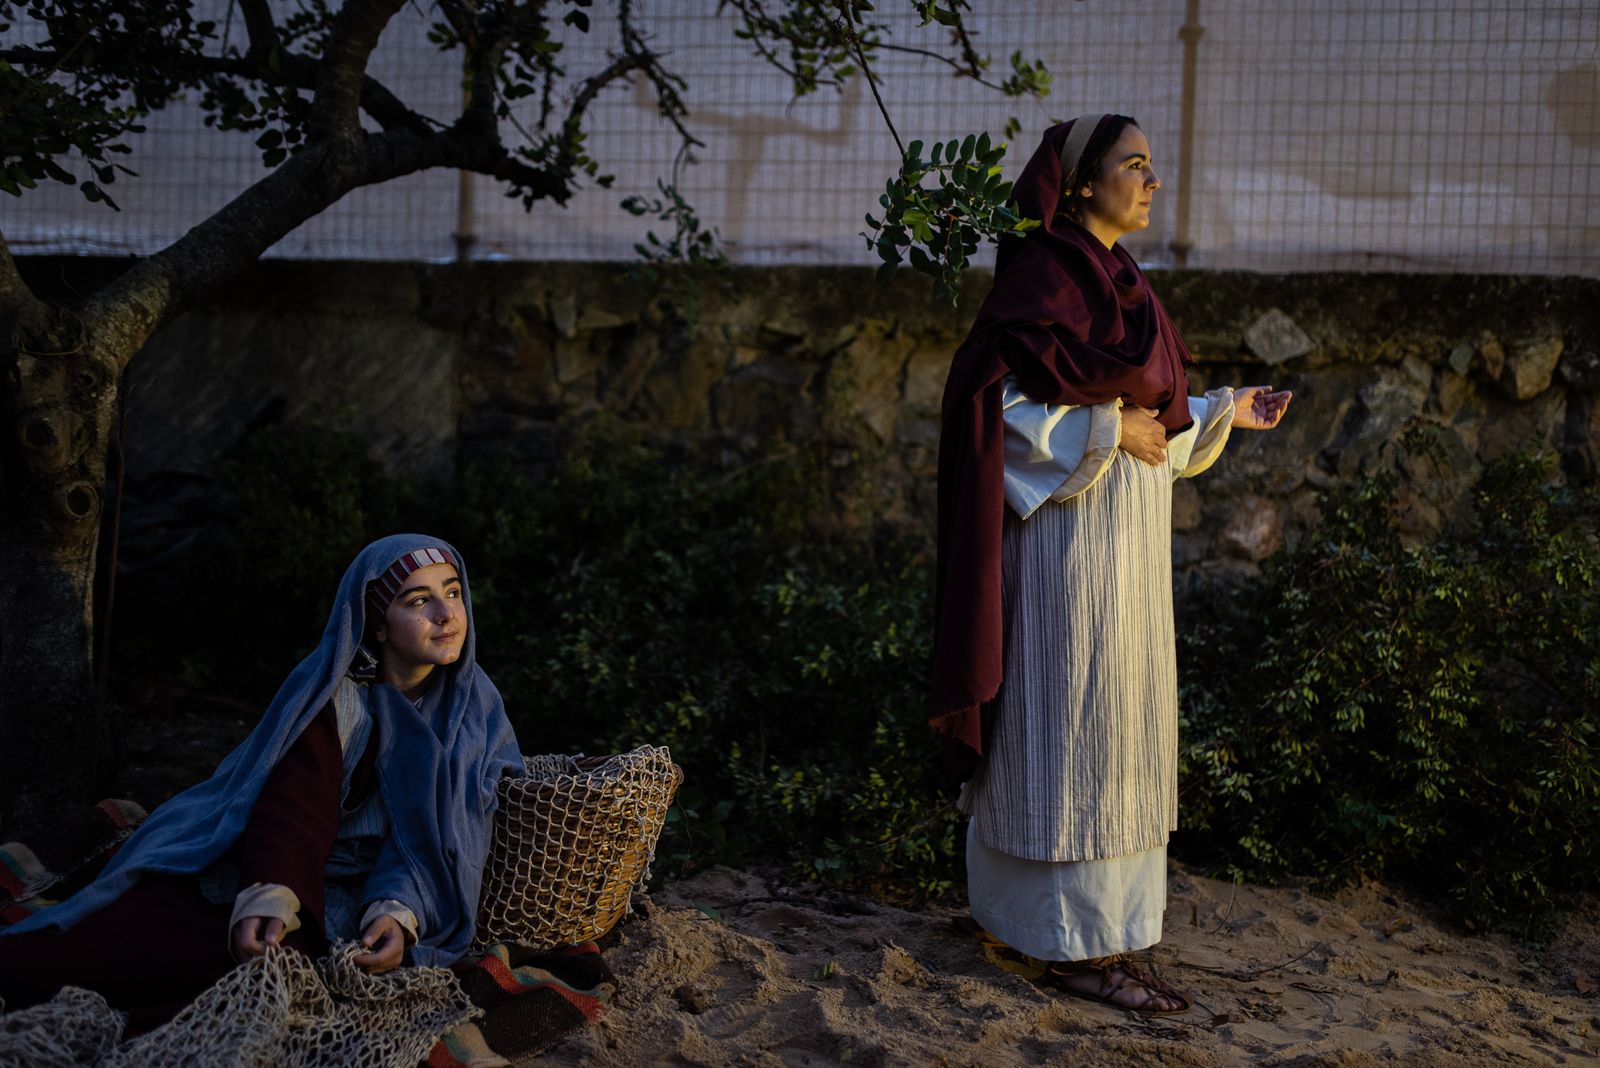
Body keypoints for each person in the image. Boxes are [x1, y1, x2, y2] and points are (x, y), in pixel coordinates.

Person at [932, 115, 1292, 1014]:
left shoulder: (1130, 286)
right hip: (1062, 553)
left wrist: (1220, 411)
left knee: (1119, 730)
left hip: (1127, 556)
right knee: (1068, 730)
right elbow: (997, 414)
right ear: (1082, 183)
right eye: (1134, 165)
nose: (1151, 180)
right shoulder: (1043, 282)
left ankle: (1113, 937)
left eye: (1152, 165)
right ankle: (1061, 946)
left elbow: (1152, 427)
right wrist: (1102, 425)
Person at [0, 534, 524, 1028]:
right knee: (191, 935)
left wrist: (400, 910)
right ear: (379, 625)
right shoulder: (332, 696)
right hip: (283, 858)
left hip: (376, 885)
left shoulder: (473, 709)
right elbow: (296, 801)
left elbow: (454, 827)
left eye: (452, 592)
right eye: (417, 601)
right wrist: (274, 892)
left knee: (297, 970)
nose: (446, 612)